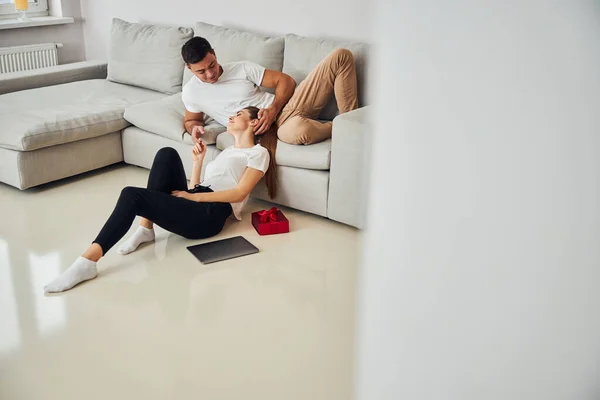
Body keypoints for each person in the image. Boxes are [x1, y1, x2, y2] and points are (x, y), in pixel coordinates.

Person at [44, 106, 278, 293]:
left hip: (210, 215)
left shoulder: (258, 153)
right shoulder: (227, 153)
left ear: (254, 122)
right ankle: (146, 229)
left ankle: (87, 262)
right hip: (198, 200)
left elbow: (239, 193)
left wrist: (192, 198)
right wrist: (198, 163)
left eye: (238, 115)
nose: (231, 117)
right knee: (167, 153)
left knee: (130, 194)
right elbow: (196, 188)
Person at [181, 36, 359, 146]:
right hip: (281, 128)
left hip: (288, 107)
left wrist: (273, 109)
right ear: (189, 68)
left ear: (214, 53)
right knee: (294, 131)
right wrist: (194, 128)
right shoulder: (191, 92)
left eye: (212, 65)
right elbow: (192, 120)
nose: (210, 73)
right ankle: (344, 128)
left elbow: (286, 81)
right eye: (201, 71)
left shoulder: (242, 68)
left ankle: (352, 122)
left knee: (340, 56)